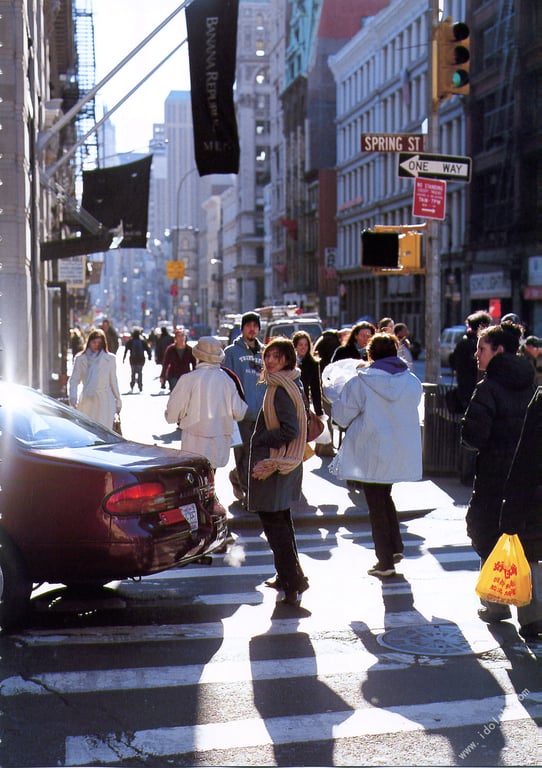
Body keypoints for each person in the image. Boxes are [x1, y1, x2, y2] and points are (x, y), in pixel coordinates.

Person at [461, 322, 536, 624]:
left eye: (481, 349)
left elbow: (473, 437)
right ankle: (532, 615)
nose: (476, 355)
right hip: (528, 475)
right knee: (528, 539)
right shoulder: (533, 384)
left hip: (494, 477)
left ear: (499, 350)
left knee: (488, 534)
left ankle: (495, 605)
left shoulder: (488, 388)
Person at [330, 332, 423, 577]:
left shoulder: (360, 381)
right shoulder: (411, 381)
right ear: (395, 353)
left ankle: (385, 561)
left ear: (369, 354)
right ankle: (394, 547)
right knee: (385, 496)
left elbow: (341, 416)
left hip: (370, 449)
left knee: (376, 504)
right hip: (397, 449)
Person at [248, 337, 309, 606]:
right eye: (267, 356)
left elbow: (289, 430)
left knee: (275, 526)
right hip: (286, 463)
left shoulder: (281, 388)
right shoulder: (287, 382)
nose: (270, 361)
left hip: (275, 463)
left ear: (287, 360)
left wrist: (261, 440)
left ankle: (291, 582)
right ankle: (293, 577)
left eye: (276, 357)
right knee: (282, 522)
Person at [164, 337, 248, 470]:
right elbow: (240, 412)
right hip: (219, 446)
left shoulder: (188, 379)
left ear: (197, 356)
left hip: (193, 446)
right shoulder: (227, 380)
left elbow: (171, 416)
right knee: (211, 480)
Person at [499, 387, 542, 639]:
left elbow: (526, 452)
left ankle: (533, 618)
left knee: (532, 553)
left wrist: (513, 500)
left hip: (534, 491)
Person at [224, 311, 266, 503]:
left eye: (255, 326)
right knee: (242, 455)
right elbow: (225, 381)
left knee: (256, 454)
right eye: (248, 325)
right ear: (242, 328)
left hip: (261, 413)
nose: (252, 329)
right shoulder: (231, 352)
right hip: (240, 413)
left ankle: (243, 483)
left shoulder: (265, 352)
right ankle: (247, 491)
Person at [69, 328, 122, 429]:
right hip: (87, 399)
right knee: (87, 430)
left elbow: (113, 381)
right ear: (89, 342)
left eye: (99, 343)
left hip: (105, 400)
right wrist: (73, 397)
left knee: (104, 431)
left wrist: (118, 400)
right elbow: (74, 380)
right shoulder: (80, 359)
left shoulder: (110, 359)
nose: (97, 345)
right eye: (94, 342)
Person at [450, 310, 492, 411]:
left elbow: (453, 362)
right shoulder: (481, 346)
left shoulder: (462, 343)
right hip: (476, 393)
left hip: (463, 391)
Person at [292, 331, 323, 416]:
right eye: (300, 345)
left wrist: (319, 412)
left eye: (306, 345)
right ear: (295, 346)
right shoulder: (289, 361)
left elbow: (316, 389)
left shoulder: (313, 364)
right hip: (289, 403)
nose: (303, 348)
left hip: (303, 404)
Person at [159, 327, 196, 392]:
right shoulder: (170, 349)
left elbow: (194, 364)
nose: (181, 338)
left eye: (183, 336)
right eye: (179, 336)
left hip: (185, 375)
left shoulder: (189, 350)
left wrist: (194, 376)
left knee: (184, 395)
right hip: (173, 375)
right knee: (175, 394)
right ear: (175, 338)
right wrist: (162, 376)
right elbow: (165, 364)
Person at [123, 328, 152, 392]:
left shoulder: (130, 342)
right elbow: (148, 349)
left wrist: (124, 358)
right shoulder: (142, 341)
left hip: (132, 360)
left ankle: (132, 384)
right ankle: (140, 385)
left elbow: (126, 350)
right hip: (141, 360)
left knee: (133, 372)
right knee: (140, 372)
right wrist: (150, 356)